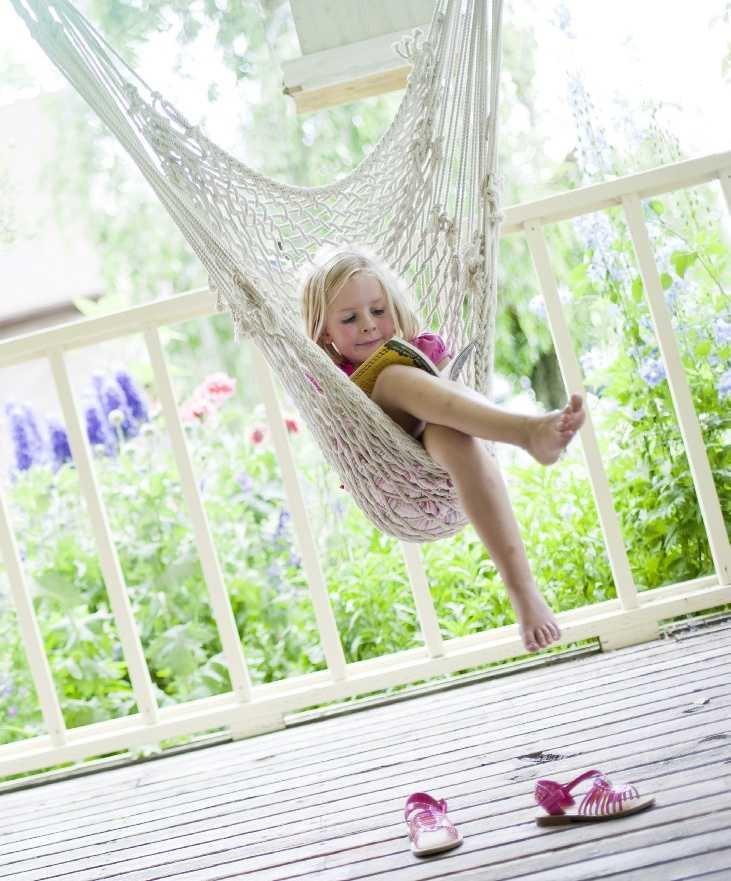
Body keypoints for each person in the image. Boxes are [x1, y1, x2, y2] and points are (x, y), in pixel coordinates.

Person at [300, 245, 585, 654]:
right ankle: (526, 431)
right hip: (390, 474)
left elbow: (457, 398)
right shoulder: (329, 377)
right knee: (392, 377)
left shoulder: (423, 345)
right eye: (349, 318)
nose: (368, 325)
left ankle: (524, 593)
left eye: (378, 310)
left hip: (437, 464)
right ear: (326, 332)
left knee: (457, 439)